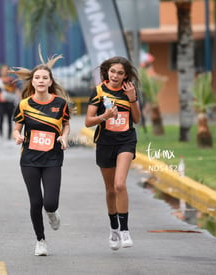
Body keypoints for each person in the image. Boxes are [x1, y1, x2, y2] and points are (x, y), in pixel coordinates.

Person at [10, 54, 70, 256]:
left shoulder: (60, 103)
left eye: (45, 78)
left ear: (50, 81)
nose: (41, 81)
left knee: (50, 203)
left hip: (53, 158)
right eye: (37, 78)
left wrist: (64, 137)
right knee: (36, 202)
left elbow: (66, 125)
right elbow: (16, 129)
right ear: (32, 81)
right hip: (29, 159)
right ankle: (40, 240)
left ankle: (52, 213)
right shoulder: (24, 104)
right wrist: (18, 136)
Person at [85, 56, 141, 251]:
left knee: (120, 184)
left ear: (126, 75)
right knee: (110, 190)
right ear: (107, 71)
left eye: (120, 73)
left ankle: (125, 230)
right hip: (105, 143)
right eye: (112, 71)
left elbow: (137, 118)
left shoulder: (129, 91)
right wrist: (104, 116)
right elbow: (88, 121)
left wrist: (133, 97)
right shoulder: (99, 91)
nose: (115, 75)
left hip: (126, 141)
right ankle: (114, 228)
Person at [0, 65, 20, 143]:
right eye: (3, 70)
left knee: (9, 120)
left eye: (6, 70)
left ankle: (9, 136)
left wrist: (20, 100)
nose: (4, 72)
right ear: (0, 71)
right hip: (1, 103)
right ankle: (1, 135)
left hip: (10, 102)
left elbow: (16, 90)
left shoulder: (11, 80)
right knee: (0, 119)